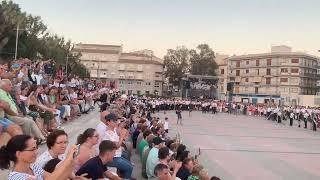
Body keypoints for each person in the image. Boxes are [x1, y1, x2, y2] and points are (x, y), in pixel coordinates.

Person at [0, 134, 78, 180]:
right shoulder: (16, 178)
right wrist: (68, 159)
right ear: (19, 154)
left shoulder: (33, 167)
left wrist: (72, 159)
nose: (36, 152)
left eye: (36, 148)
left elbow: (54, 178)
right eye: (32, 149)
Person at [102, 113, 133, 179]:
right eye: (114, 121)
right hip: (112, 158)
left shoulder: (113, 129)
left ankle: (125, 176)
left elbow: (119, 130)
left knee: (128, 160)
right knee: (129, 167)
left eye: (116, 120)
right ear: (108, 122)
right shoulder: (107, 134)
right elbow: (117, 146)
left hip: (116, 155)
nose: (116, 122)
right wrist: (122, 136)